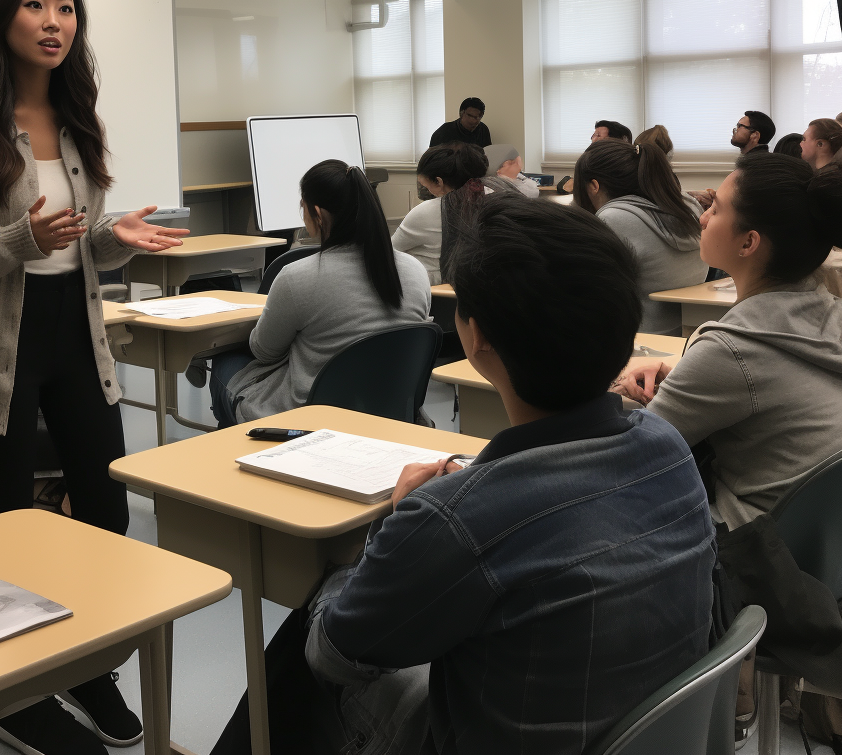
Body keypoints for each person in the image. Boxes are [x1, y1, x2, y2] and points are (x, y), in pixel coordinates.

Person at [303, 194, 715, 755]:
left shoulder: (455, 516)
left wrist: (381, 539)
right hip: (635, 726)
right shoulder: (667, 444)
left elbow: (334, 654)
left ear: (475, 337)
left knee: (303, 646)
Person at [0, 0, 189, 755]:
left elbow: (75, 250)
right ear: (2, 18)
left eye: (66, 8)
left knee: (105, 510)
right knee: (8, 524)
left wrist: (113, 240)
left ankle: (85, 665)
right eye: (36, 6)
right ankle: (18, 691)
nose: (53, 23)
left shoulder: (79, 120)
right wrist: (20, 237)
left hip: (76, 331)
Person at [615, 154, 842, 530]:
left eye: (716, 210)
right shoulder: (831, 312)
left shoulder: (730, 354)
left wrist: (617, 395)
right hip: (819, 553)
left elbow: (628, 457)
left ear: (749, 242)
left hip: (745, 558)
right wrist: (689, 378)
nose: (702, 219)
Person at [209, 160, 430, 426]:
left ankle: (233, 446)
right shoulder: (415, 271)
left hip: (310, 417)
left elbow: (264, 352)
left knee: (225, 361)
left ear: (317, 213)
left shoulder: (298, 276)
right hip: (390, 412)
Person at [573, 140, 706, 334]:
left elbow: (592, 290)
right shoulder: (688, 205)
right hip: (690, 330)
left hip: (637, 338)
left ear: (594, 186)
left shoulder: (614, 218)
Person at [391, 143, 490, 285]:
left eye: (425, 186)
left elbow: (389, 252)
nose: (426, 190)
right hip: (481, 288)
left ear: (439, 181)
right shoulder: (494, 199)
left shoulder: (426, 212)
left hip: (435, 291)